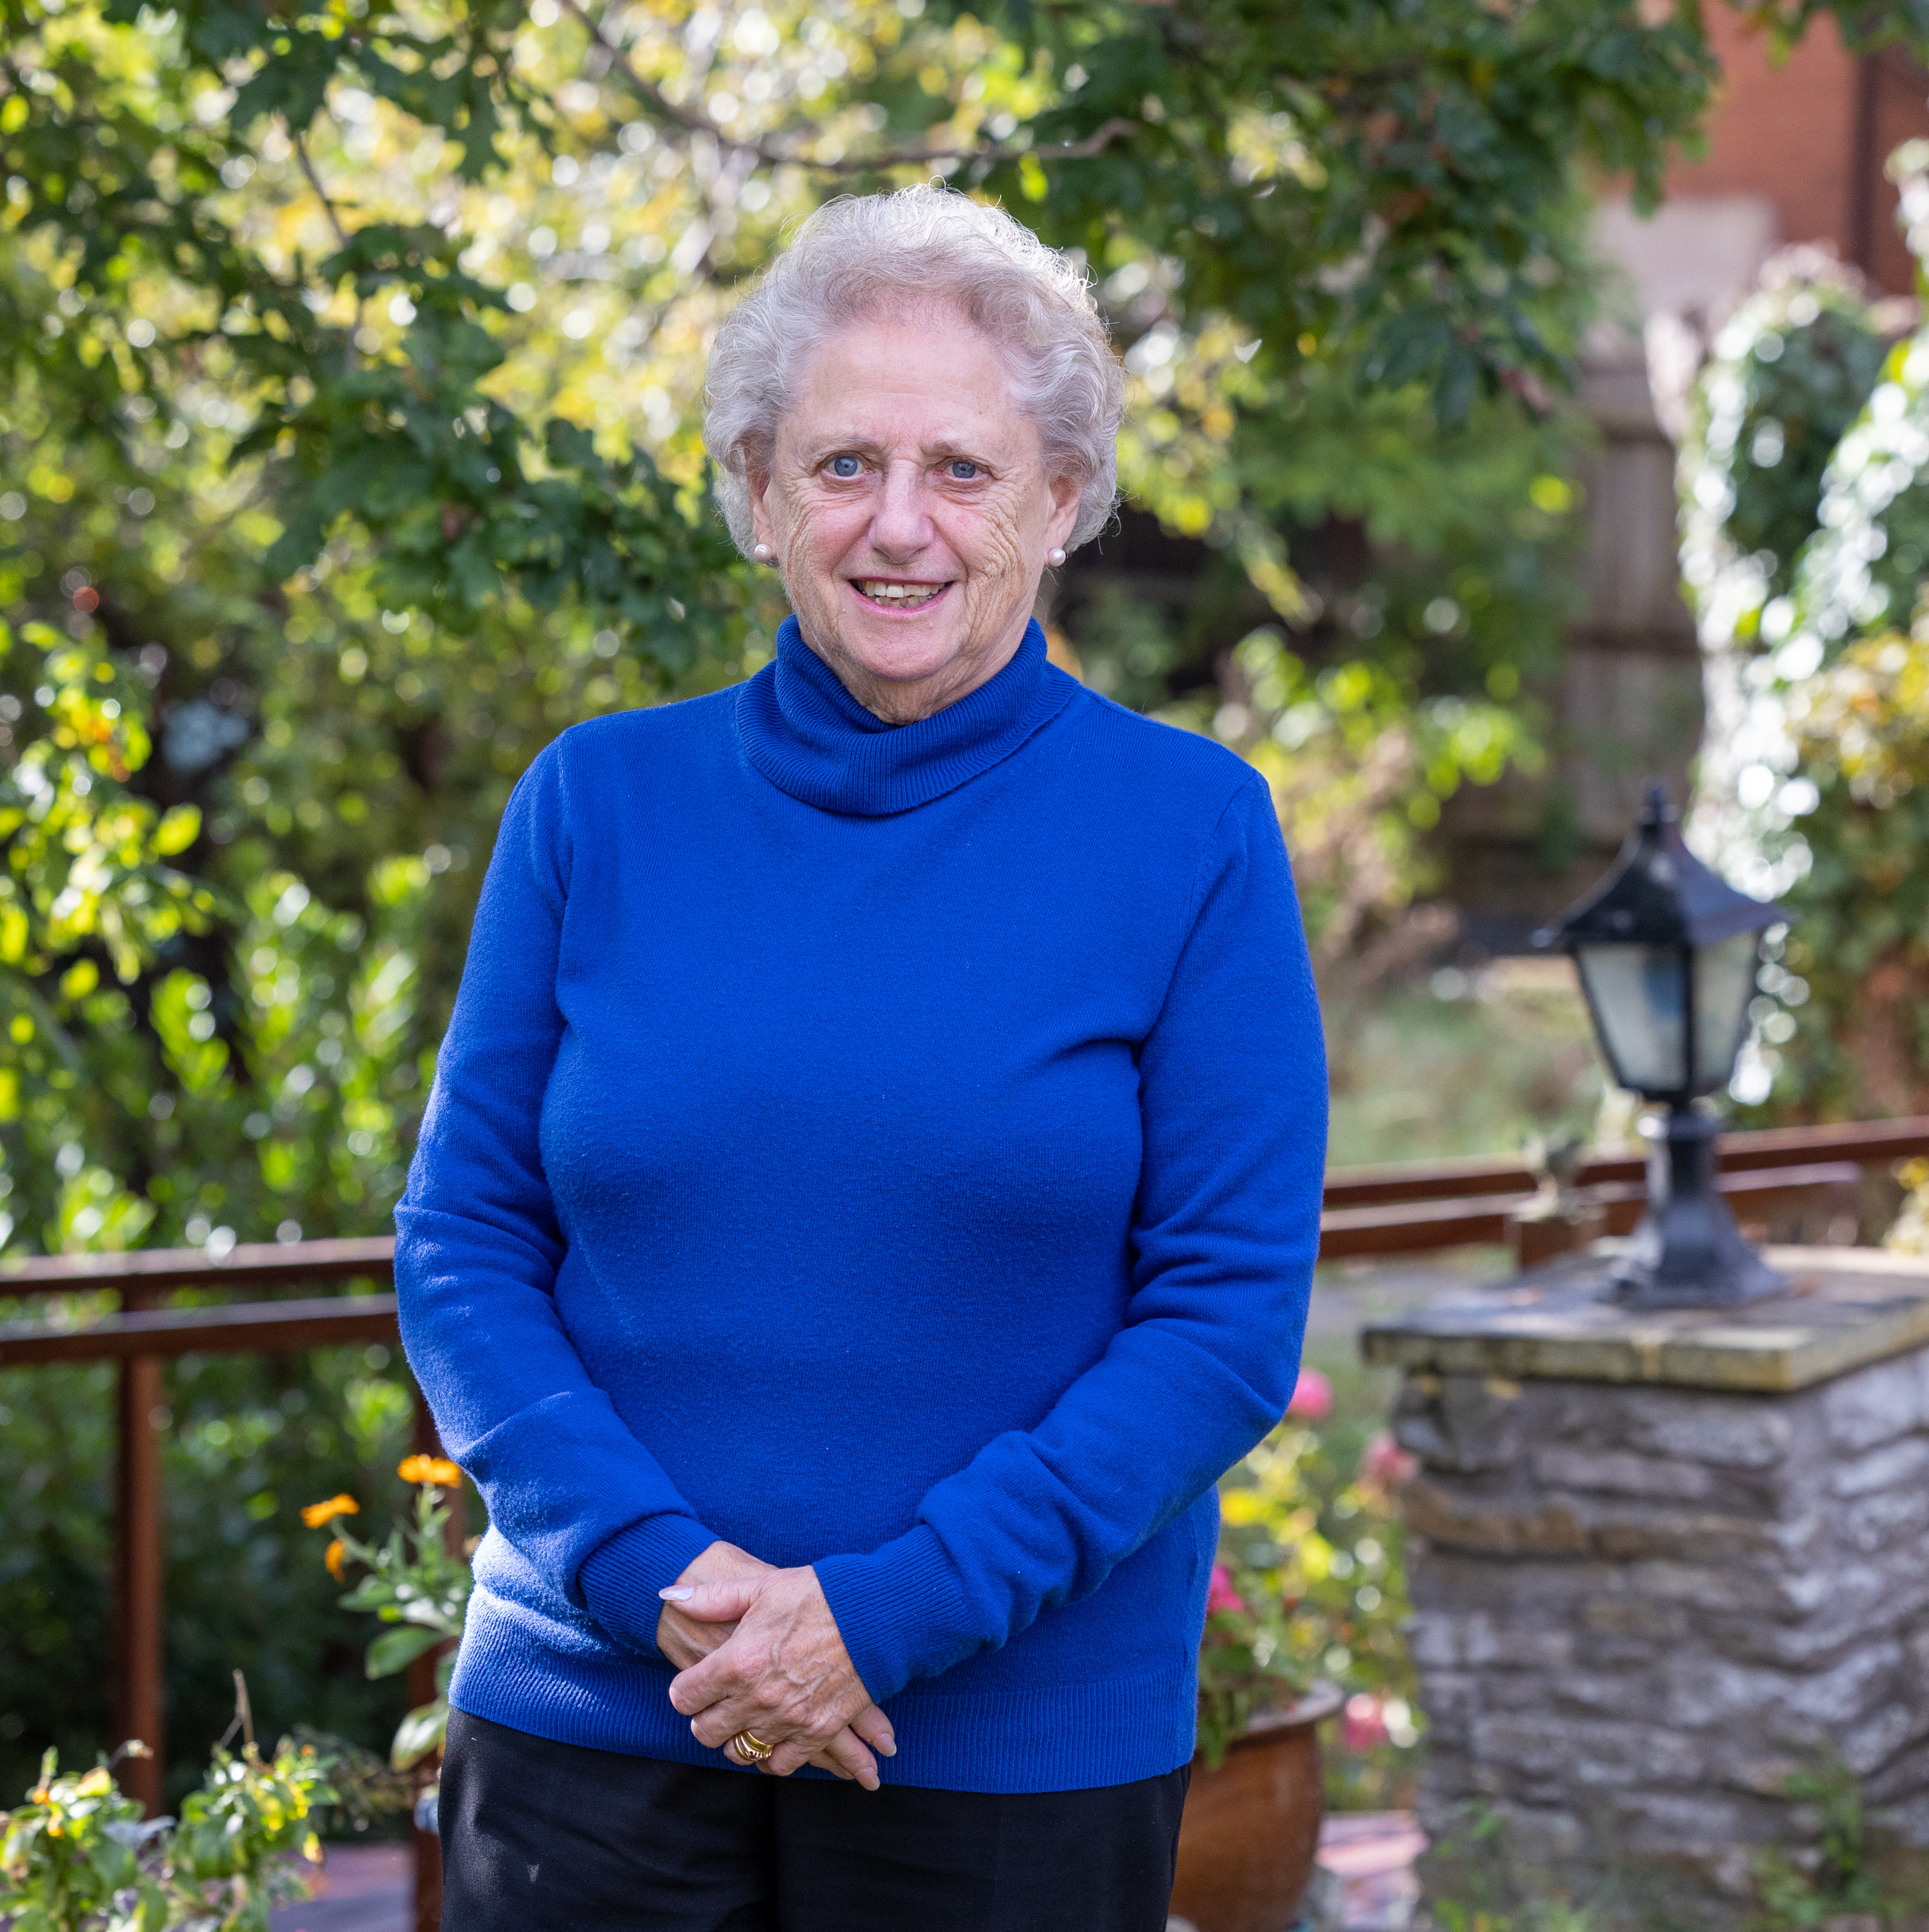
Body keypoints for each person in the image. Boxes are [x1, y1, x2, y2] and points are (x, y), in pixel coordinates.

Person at [394, 183, 1329, 1931]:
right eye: (842, 465)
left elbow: (1221, 1321)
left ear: (1063, 500)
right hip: (593, 1730)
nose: (900, 525)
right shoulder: (595, 804)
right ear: (759, 494)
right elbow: (460, 1245)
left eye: (963, 470)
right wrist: (654, 1573)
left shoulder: (1189, 833)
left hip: (1011, 1760)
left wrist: (879, 1615)